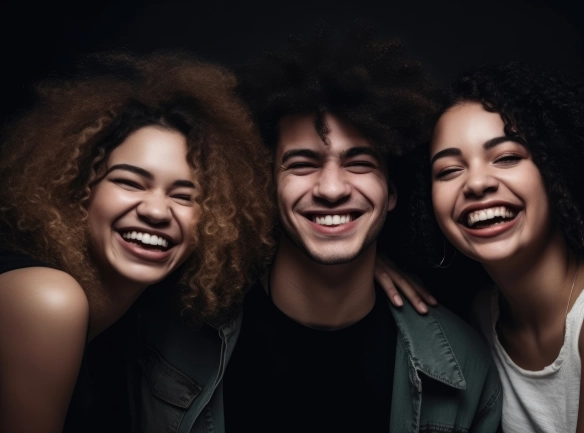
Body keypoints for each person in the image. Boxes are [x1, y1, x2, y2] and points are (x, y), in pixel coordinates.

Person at [129, 27, 502, 433]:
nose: (331, 189)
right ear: (267, 187)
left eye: (359, 163)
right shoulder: (169, 328)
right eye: (303, 164)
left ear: (392, 191)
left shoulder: (464, 363)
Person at [0, 52, 276, 433]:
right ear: (77, 189)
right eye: (129, 182)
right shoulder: (47, 297)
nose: (157, 212)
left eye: (184, 196)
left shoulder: (135, 321)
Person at [424, 61, 584, 432]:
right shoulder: (484, 312)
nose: (477, 183)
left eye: (508, 157)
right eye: (449, 170)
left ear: (555, 167)